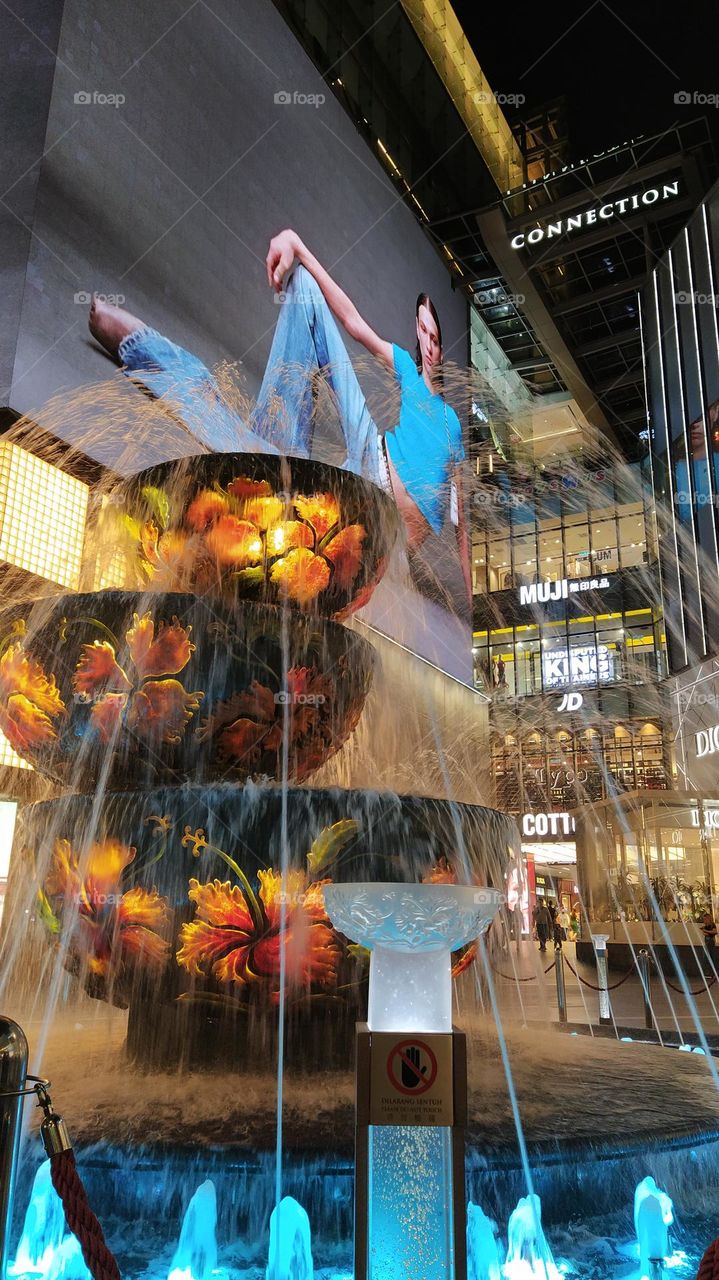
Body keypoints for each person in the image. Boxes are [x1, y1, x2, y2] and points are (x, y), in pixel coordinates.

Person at [88, 228, 472, 599]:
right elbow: (354, 325)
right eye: (423, 332)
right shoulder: (405, 367)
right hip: (371, 455)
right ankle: (147, 353)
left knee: (267, 462)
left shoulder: (450, 422)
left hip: (376, 515)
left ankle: (149, 356)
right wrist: (298, 246)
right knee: (305, 286)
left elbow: (462, 519)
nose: (429, 343)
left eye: (435, 337)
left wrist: (472, 600)